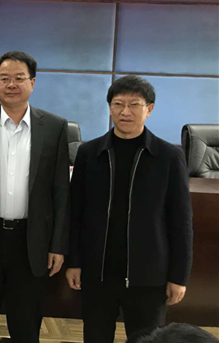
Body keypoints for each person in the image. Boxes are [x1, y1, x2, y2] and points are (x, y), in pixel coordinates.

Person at [66, 75, 193, 343]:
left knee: (147, 340)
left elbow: (181, 221)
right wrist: (74, 262)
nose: (125, 112)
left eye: (134, 104)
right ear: (110, 107)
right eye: (118, 104)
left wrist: (179, 276)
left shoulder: (169, 157)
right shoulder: (89, 153)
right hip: (97, 273)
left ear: (149, 108)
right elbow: (75, 214)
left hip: (149, 276)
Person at [0, 51, 70, 343]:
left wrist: (58, 245)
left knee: (26, 329)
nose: (11, 84)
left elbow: (60, 190)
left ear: (33, 82)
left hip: (31, 243)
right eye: (4, 78)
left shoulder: (55, 127)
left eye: (19, 78)